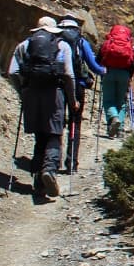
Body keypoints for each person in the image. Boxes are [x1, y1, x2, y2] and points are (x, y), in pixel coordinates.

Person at [7, 15, 76, 199]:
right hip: (54, 94)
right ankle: (49, 171)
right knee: (54, 134)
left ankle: (38, 181)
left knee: (40, 135)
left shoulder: (24, 45)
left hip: (31, 94)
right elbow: (68, 75)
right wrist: (72, 99)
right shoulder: (62, 46)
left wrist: (22, 90)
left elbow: (12, 72)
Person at [57, 15, 106, 172]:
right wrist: (103, 70)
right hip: (77, 85)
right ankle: (71, 162)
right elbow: (93, 65)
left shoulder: (55, 39)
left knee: (57, 121)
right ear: (76, 28)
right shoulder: (81, 41)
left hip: (57, 85)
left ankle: (53, 160)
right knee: (74, 122)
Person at [97, 23, 134, 137]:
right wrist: (129, 77)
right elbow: (133, 64)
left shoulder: (107, 43)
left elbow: (98, 59)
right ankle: (119, 130)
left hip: (108, 73)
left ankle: (113, 118)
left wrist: (100, 71)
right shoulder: (130, 46)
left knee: (108, 100)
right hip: (124, 75)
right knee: (121, 101)